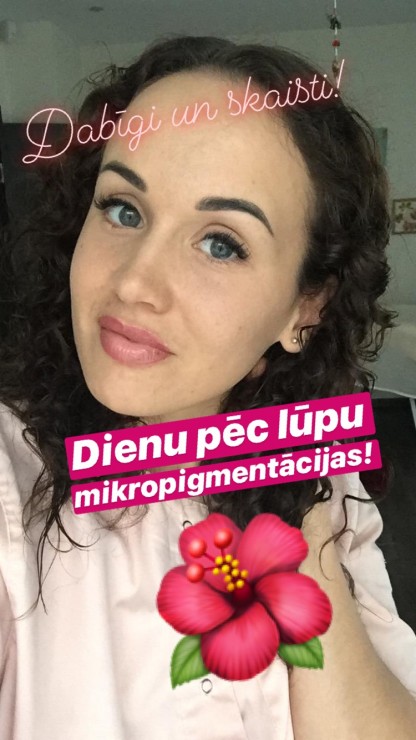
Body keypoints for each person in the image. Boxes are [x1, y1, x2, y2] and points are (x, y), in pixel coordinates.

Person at [0, 35, 415, 740]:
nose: (134, 282)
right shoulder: (17, 472)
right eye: (123, 209)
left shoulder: (325, 479)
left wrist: (299, 512)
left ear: (306, 306)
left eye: (221, 242)